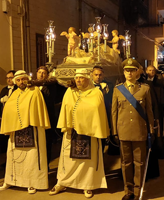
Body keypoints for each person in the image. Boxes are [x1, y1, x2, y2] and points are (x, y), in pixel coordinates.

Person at [49, 69, 109, 198]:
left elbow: (96, 110)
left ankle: (87, 185)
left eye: (81, 78)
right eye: (77, 78)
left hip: (90, 132)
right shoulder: (70, 92)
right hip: (71, 131)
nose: (79, 80)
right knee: (67, 159)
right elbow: (65, 108)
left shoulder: (96, 92)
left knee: (88, 161)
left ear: (88, 79)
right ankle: (62, 182)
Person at [0, 70, 50, 194]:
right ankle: (11, 180)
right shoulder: (14, 94)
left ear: (27, 79)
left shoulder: (35, 91)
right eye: (18, 80)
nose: (21, 82)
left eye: (23, 79)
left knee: (32, 157)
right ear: (15, 82)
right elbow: (9, 112)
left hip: (32, 129)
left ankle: (32, 182)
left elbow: (37, 110)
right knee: (12, 156)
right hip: (16, 131)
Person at [112, 58, 154, 200]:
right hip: (123, 131)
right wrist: (114, 131)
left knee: (139, 163)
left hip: (139, 131)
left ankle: (137, 191)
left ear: (137, 72)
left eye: (132, 70)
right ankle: (128, 191)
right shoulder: (118, 90)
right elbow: (114, 112)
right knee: (125, 163)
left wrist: (151, 130)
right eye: (126, 70)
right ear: (123, 72)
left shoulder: (145, 89)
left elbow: (149, 111)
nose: (129, 73)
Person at [91, 66, 114, 153]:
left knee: (103, 139)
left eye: (100, 75)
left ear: (103, 76)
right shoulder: (88, 86)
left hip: (104, 115)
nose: (98, 77)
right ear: (92, 75)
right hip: (92, 118)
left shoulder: (108, 86)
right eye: (96, 75)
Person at [0, 70, 17, 154]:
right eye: (7, 78)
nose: (9, 80)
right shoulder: (4, 89)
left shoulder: (17, 89)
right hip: (4, 118)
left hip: (13, 118)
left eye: (10, 78)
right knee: (3, 140)